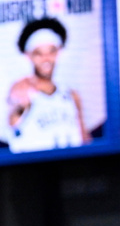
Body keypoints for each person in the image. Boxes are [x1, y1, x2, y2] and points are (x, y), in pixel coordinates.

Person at [7, 17, 91, 153]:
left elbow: (84, 138)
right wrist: (21, 105)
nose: (46, 59)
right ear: (29, 56)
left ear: (59, 52)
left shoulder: (71, 95)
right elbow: (13, 120)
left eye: (51, 51)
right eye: (39, 53)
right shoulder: (22, 90)